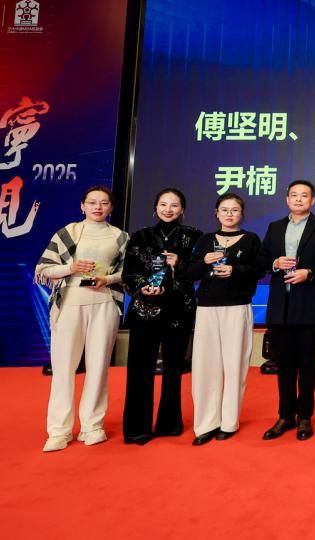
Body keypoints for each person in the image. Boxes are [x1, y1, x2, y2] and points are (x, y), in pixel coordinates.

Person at [35, 186, 129, 452]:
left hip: (105, 304)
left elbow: (129, 273)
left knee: (99, 367)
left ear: (111, 207)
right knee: (63, 367)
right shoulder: (68, 232)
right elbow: (43, 269)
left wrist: (107, 279)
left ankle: (93, 425)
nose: (98, 207)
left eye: (104, 203)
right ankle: (59, 430)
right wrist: (71, 268)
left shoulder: (120, 237)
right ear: (82, 206)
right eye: (92, 202)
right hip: (69, 304)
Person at [121, 187, 202, 444]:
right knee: (139, 368)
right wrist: (142, 287)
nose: (168, 209)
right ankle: (137, 428)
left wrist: (180, 265)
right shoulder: (140, 236)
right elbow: (128, 273)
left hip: (179, 309)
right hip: (145, 309)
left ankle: (169, 423)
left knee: (173, 369)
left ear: (183, 210)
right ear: (155, 208)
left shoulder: (194, 236)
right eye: (163, 204)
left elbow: (200, 271)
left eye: (174, 205)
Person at [259, 180, 315, 442]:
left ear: (313, 200)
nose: (299, 199)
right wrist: (274, 263)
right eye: (294, 195)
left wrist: (309, 272)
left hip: (307, 304)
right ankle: (285, 416)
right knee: (283, 364)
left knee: (306, 363)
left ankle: (304, 416)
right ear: (287, 199)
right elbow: (261, 260)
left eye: (304, 195)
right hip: (280, 305)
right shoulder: (275, 227)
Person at [187, 193, 264, 445]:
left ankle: (229, 421)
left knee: (234, 366)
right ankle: (206, 423)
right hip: (207, 307)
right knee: (205, 366)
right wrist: (203, 262)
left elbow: (259, 270)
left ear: (242, 213)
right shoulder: (205, 240)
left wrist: (235, 269)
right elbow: (190, 272)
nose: (229, 214)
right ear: (216, 213)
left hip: (237, 306)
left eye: (234, 210)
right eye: (224, 209)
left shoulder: (251, 239)